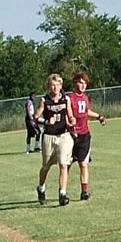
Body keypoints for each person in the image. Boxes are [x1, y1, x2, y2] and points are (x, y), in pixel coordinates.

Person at [34, 73, 75, 206]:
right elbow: (35, 117)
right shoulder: (45, 100)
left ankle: (62, 193)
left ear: (61, 85)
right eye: (52, 85)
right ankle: (41, 188)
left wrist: (72, 121)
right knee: (46, 166)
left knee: (64, 164)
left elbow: (70, 116)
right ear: (48, 87)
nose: (55, 88)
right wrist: (46, 121)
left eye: (57, 85)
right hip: (49, 137)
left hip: (64, 136)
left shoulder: (66, 99)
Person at [65, 72, 107, 201]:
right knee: (67, 165)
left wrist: (99, 116)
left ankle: (84, 191)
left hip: (84, 135)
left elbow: (86, 111)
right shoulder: (69, 98)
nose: (83, 86)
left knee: (83, 164)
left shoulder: (85, 98)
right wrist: (70, 126)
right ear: (75, 83)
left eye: (85, 83)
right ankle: (63, 191)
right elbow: (67, 114)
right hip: (71, 136)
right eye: (80, 82)